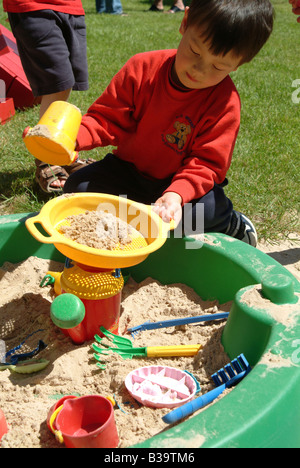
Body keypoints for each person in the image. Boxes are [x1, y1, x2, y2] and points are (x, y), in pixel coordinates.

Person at [64, 0, 274, 247]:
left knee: (202, 214)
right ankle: (142, 218)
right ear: (185, 23)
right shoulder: (142, 68)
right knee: (77, 187)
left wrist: (176, 194)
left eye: (218, 66)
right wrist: (71, 138)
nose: (199, 69)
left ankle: (230, 223)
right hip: (129, 170)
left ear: (239, 64)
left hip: (182, 185)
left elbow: (206, 164)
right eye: (195, 51)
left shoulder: (224, 102)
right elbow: (106, 119)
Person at [2, 0, 95, 193]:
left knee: (66, 82)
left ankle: (59, 149)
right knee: (57, 81)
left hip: (71, 7)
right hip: (34, 5)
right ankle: (46, 156)